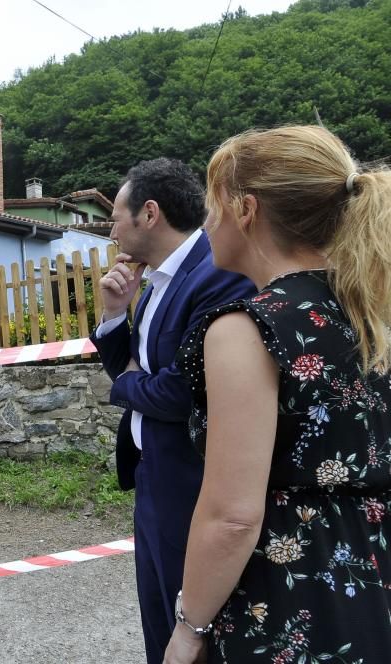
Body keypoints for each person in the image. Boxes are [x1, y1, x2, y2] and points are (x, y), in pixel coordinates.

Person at [164, 125, 391, 663]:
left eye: (210, 205)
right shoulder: (374, 314)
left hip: (293, 594)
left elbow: (232, 517)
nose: (206, 223)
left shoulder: (248, 328)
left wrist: (189, 627)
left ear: (246, 209)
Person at [90, 158, 255, 663]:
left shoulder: (216, 275)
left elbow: (180, 393)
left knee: (193, 626)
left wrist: (126, 385)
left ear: (150, 214)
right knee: (158, 616)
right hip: (151, 475)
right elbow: (138, 369)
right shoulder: (157, 278)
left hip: (189, 482)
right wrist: (116, 313)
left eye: (117, 215)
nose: (111, 227)